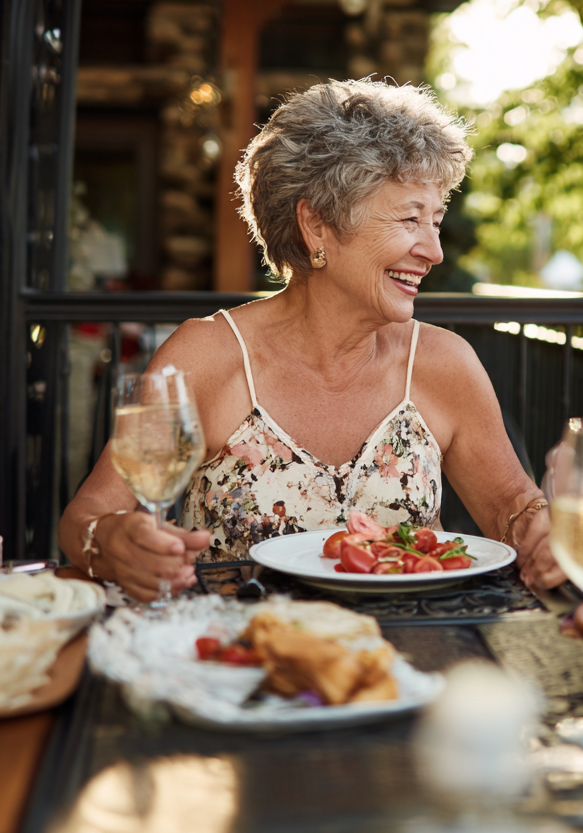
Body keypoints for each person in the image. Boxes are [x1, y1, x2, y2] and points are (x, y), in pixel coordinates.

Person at [59, 81, 552, 601]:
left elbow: (512, 508)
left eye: (435, 221)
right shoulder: (208, 356)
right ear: (316, 224)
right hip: (244, 661)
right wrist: (110, 540)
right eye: (410, 219)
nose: (434, 251)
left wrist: (540, 529)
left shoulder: (442, 362)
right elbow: (84, 519)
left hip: (408, 664)